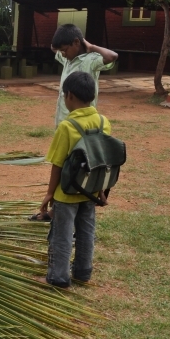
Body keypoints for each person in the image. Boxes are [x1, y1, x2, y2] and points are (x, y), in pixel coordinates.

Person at [39, 71, 112, 288]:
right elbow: (102, 160)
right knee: (86, 232)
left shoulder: (67, 126)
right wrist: (101, 190)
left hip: (67, 192)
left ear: (69, 95)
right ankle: (82, 272)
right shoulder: (103, 122)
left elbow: (57, 164)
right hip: (90, 189)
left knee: (62, 235)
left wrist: (50, 193)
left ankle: (58, 277)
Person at [51, 24, 118, 128]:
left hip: (82, 122)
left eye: (64, 50)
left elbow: (112, 56)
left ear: (76, 42)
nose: (63, 54)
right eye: (61, 51)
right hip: (63, 119)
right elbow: (53, 47)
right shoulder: (66, 59)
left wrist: (91, 47)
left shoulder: (91, 60)